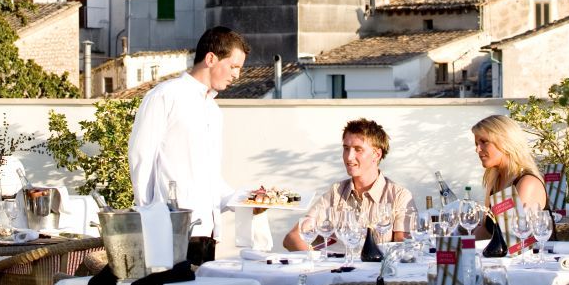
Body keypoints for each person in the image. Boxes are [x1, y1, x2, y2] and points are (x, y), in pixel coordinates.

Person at [128, 25, 251, 265]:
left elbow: (209, 178)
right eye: (234, 66)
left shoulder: (214, 111)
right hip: (170, 231)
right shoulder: (165, 96)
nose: (237, 75)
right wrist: (151, 220)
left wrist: (246, 202)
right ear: (211, 58)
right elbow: (141, 158)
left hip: (207, 232)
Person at [282, 118, 415, 251]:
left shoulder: (399, 196)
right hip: (340, 269)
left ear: (376, 154)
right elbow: (293, 238)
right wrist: (317, 261)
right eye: (346, 149)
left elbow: (404, 248)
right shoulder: (336, 192)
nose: (349, 157)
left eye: (358, 149)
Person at [471, 114, 549, 238]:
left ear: (505, 142)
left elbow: (517, 238)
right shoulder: (495, 181)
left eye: (484, 142)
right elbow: (487, 231)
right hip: (500, 256)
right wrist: (452, 245)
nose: (477, 150)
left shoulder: (526, 183)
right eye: (476, 144)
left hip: (527, 256)